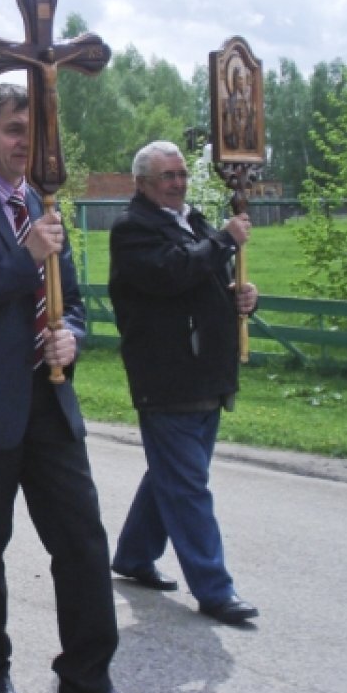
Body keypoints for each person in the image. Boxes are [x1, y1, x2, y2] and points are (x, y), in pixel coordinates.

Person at [0, 84, 155, 693]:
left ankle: (87, 680)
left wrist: (71, 335)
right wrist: (26, 259)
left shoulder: (44, 203)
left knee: (82, 542)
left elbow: (73, 300)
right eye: (16, 129)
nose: (27, 143)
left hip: (49, 402)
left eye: (34, 132)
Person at [108, 140, 260, 627]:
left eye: (181, 175)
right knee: (188, 484)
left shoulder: (190, 221)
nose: (177, 183)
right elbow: (172, 273)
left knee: (172, 476)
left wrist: (240, 296)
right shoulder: (133, 229)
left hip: (207, 372)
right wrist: (223, 241)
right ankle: (215, 589)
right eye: (167, 177)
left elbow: (205, 277)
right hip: (167, 376)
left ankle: (133, 555)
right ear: (143, 183)